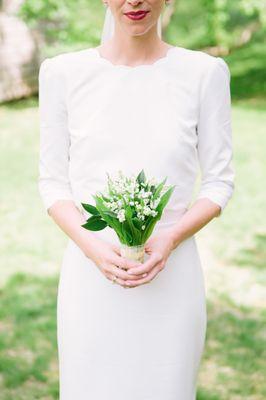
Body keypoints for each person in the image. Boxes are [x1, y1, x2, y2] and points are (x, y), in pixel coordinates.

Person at [38, 1, 235, 399]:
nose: (135, 1)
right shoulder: (62, 74)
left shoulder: (204, 74)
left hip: (172, 278)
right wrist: (93, 248)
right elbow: (53, 184)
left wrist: (170, 238)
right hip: (89, 279)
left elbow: (219, 183)